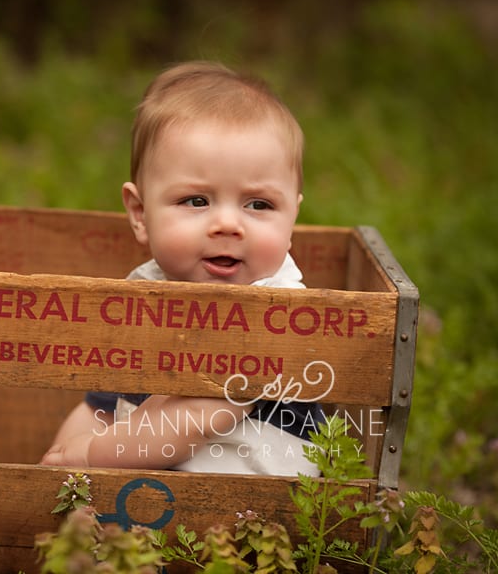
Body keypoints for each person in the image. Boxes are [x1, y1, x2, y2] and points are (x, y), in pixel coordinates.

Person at [41, 61, 323, 475]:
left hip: (253, 511)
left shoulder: (275, 312)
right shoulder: (143, 294)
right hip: (155, 490)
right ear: (140, 213)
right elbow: (98, 408)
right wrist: (56, 466)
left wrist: (88, 456)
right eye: (196, 200)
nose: (228, 224)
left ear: (291, 218)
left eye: (258, 205)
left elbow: (201, 414)